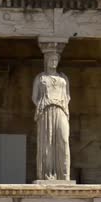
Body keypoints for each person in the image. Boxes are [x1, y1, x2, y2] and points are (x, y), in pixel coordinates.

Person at [32, 46, 71, 181]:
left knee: (64, 140)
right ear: (46, 60)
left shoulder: (63, 78)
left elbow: (67, 96)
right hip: (46, 111)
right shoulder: (40, 78)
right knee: (47, 142)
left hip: (61, 110)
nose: (54, 62)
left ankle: (64, 175)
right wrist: (43, 105)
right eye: (51, 59)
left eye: (56, 60)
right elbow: (34, 97)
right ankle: (48, 175)